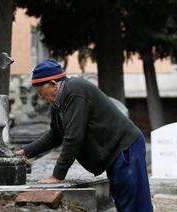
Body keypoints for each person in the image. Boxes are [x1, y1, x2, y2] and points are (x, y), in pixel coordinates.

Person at [15, 59, 153, 211]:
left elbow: (74, 137)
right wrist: (25, 151)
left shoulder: (75, 91)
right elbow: (55, 135)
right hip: (115, 151)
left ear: (53, 84)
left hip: (125, 146)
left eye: (41, 93)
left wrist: (57, 175)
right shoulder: (58, 103)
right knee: (122, 199)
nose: (41, 98)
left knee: (133, 202)